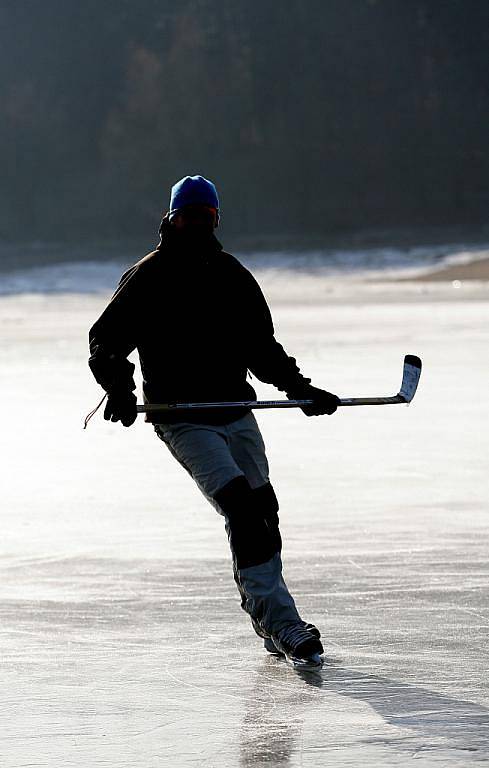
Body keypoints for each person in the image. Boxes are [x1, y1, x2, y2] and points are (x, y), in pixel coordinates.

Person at [88, 175, 340, 669]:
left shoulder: (232, 274)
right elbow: (106, 339)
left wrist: (300, 389)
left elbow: (260, 347)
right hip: (184, 420)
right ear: (172, 219)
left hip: (234, 411)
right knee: (242, 509)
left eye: (207, 216)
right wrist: (119, 388)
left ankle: (266, 618)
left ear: (216, 219)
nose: (199, 223)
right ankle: (285, 622)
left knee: (264, 511)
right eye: (190, 216)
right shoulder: (149, 275)